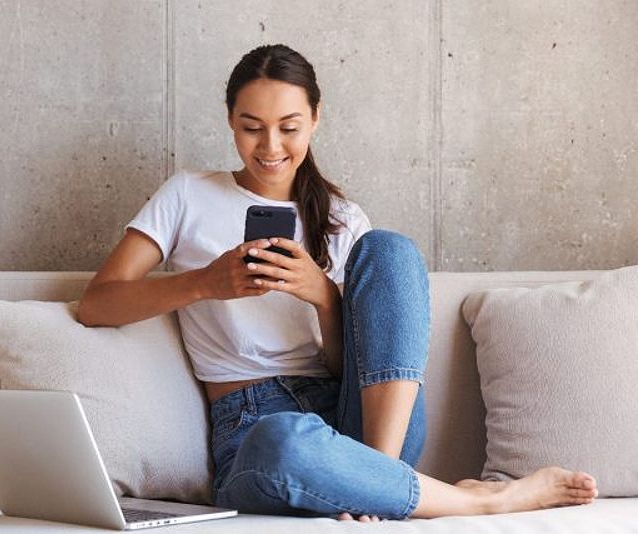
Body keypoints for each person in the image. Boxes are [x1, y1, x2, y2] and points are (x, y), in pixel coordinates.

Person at [78, 43, 598, 522]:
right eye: (251, 126)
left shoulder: (345, 220)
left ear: (316, 119)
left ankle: (376, 479)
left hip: (368, 427)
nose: (270, 146)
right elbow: (98, 305)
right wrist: (207, 282)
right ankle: (470, 498)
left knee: (391, 249)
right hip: (255, 431)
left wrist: (323, 296)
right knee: (283, 439)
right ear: (230, 121)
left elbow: (357, 364)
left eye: (289, 126)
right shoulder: (187, 194)